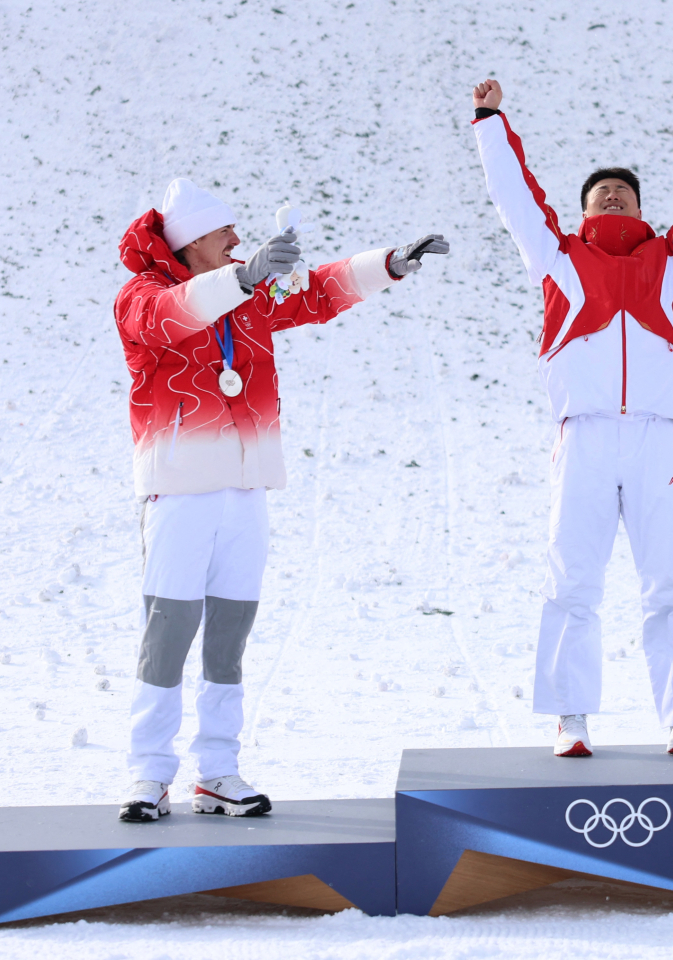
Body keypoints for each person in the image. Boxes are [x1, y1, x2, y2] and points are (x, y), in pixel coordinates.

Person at [113, 178, 447, 821]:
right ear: (190, 241)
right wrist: (243, 280)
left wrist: (389, 264)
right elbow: (172, 315)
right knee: (168, 633)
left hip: (246, 488)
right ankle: (148, 772)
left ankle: (218, 770)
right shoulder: (142, 295)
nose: (237, 238)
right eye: (223, 231)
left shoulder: (249, 291)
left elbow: (316, 293)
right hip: (178, 491)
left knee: (229, 637)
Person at [470, 78, 673, 757]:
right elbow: (516, 198)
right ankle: (570, 718)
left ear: (643, 209)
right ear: (583, 210)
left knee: (671, 581)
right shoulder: (558, 257)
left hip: (659, 437)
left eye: (624, 191)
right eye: (601, 192)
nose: (614, 196)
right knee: (572, 579)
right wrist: (490, 122)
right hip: (585, 434)